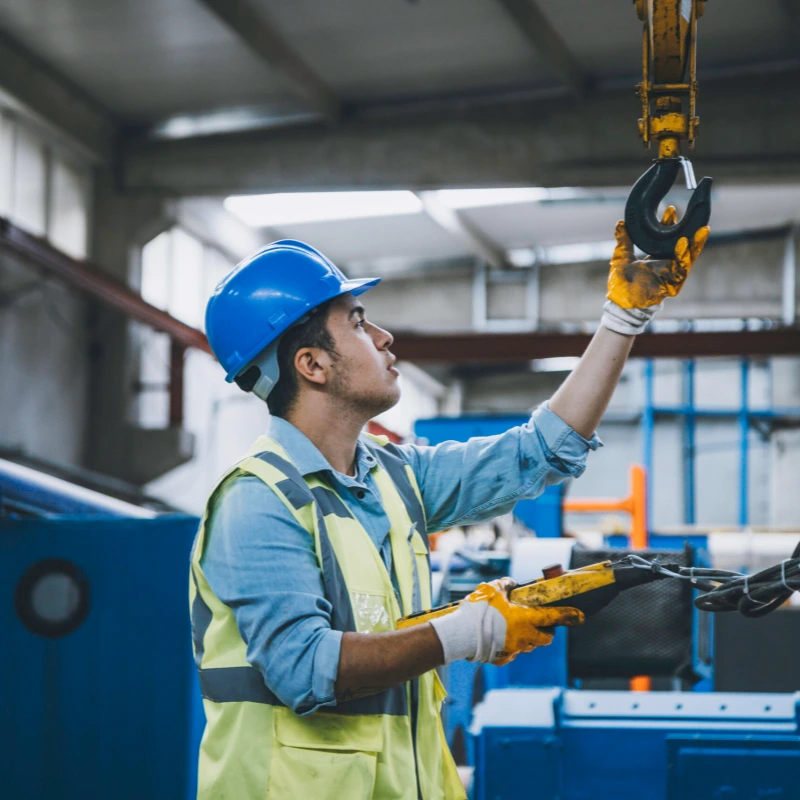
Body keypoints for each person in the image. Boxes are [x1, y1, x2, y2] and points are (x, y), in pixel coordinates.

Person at [190, 211, 709, 800]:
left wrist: (625, 313)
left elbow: (538, 452)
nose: (385, 338)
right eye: (359, 323)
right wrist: (469, 628)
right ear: (312, 365)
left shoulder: (393, 477)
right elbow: (306, 670)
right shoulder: (258, 500)